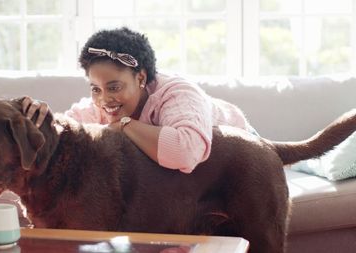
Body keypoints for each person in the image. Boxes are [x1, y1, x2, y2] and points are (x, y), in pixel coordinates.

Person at [22, 27, 253, 174]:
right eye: (95, 89)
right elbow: (60, 135)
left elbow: (185, 152)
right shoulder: (98, 108)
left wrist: (124, 124)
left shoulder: (177, 94)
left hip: (248, 159)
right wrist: (38, 116)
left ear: (140, 77)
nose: (104, 99)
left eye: (114, 87)